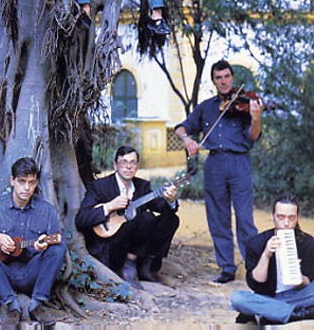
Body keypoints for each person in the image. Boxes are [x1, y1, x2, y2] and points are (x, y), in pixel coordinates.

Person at [175, 59, 264, 284]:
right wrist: (187, 140)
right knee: (218, 217)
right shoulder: (206, 107)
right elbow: (181, 128)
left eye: (226, 77)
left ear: (232, 78)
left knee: (245, 218)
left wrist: (256, 118)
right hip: (214, 164)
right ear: (213, 81)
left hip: (239, 163)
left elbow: (253, 136)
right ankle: (226, 268)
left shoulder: (245, 104)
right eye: (218, 78)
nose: (223, 81)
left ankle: (253, 267)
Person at [0, 157, 66, 325]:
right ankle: (11, 306)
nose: (26, 188)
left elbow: (56, 239)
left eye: (31, 182)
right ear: (12, 181)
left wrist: (43, 246)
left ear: (36, 183)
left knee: (58, 249)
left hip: (33, 272)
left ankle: (37, 304)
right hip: (3, 273)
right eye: (21, 181)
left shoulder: (46, 209)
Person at [75, 145, 179, 287]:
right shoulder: (100, 186)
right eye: (124, 162)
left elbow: (160, 207)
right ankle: (127, 266)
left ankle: (146, 267)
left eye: (132, 162)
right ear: (115, 165)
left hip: (135, 242)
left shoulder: (142, 186)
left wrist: (170, 200)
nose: (128, 167)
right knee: (145, 217)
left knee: (171, 219)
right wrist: (109, 206)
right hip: (111, 242)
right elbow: (81, 218)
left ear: (137, 166)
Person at [231, 194, 314, 325]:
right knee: (237, 298)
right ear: (273, 216)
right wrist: (266, 255)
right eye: (281, 217)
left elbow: (308, 281)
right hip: (269, 297)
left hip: (299, 296)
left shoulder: (307, 242)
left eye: (291, 218)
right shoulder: (256, 242)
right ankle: (296, 314)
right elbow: (255, 283)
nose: (286, 223)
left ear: (297, 217)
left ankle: (272, 313)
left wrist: (298, 278)